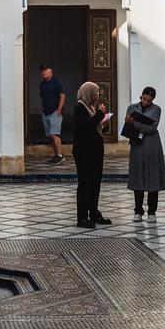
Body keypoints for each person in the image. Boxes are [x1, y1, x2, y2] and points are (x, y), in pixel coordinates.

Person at [68, 81, 112, 228]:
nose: (97, 95)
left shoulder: (90, 107)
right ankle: (82, 217)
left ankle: (93, 213)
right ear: (88, 93)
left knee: (95, 183)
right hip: (84, 152)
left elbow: (95, 128)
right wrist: (100, 114)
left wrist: (104, 124)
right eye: (96, 92)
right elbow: (85, 127)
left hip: (95, 152)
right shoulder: (79, 107)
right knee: (85, 183)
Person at [124, 87, 165, 218]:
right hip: (137, 144)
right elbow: (128, 124)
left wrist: (135, 123)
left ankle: (152, 211)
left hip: (151, 144)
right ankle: (138, 210)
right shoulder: (132, 108)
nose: (146, 102)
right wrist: (129, 123)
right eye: (144, 99)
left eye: (149, 100)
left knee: (153, 177)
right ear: (140, 96)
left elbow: (151, 128)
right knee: (137, 176)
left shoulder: (156, 109)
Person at [38, 64, 67, 165]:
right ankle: (55, 155)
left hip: (55, 112)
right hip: (45, 113)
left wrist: (59, 108)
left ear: (50, 71)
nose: (44, 72)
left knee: (54, 134)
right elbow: (42, 98)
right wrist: (42, 109)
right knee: (50, 136)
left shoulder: (56, 82)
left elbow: (62, 95)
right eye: (42, 71)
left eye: (46, 70)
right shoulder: (42, 85)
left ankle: (60, 155)